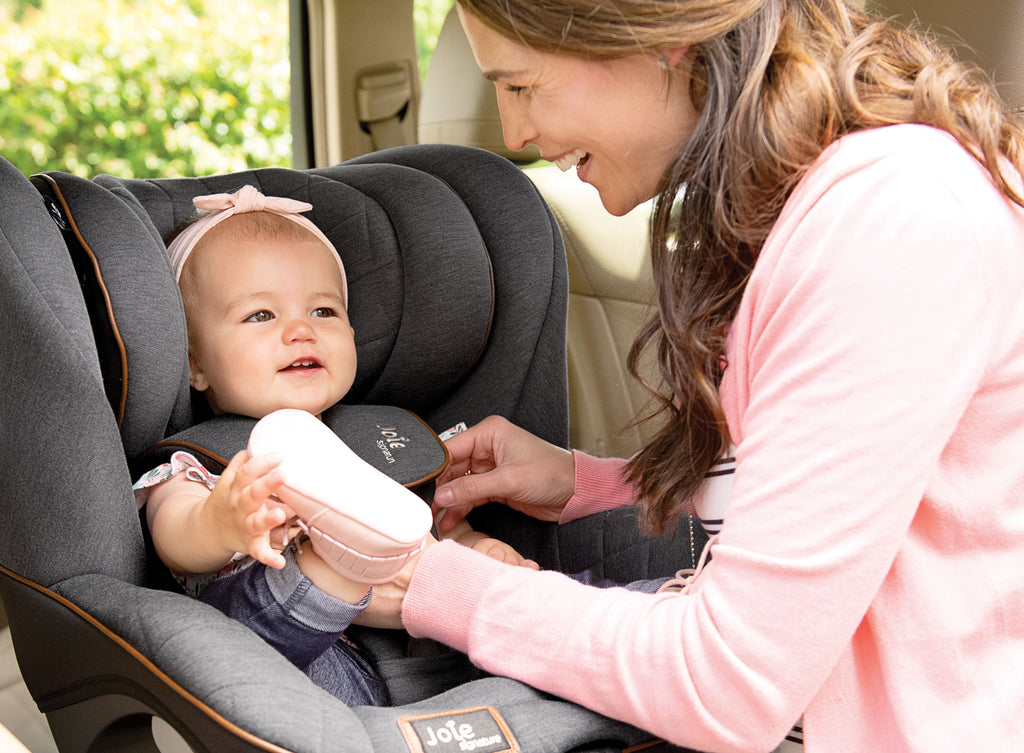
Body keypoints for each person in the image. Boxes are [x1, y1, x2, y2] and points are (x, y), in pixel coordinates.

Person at [389, 1, 1024, 751]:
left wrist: (421, 581)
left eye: (523, 86)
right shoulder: (813, 204)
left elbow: (727, 683)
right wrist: (581, 481)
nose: (515, 133)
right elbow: (822, 494)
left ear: (662, 40)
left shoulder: (892, 219)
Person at [133, 186, 535, 706]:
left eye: (324, 311)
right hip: (292, 652)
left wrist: (476, 550)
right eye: (261, 315)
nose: (301, 330)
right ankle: (336, 569)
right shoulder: (203, 464)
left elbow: (437, 528)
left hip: (417, 651)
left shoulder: (386, 438)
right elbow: (173, 533)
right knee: (243, 648)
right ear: (196, 364)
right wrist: (219, 522)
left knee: (494, 608)